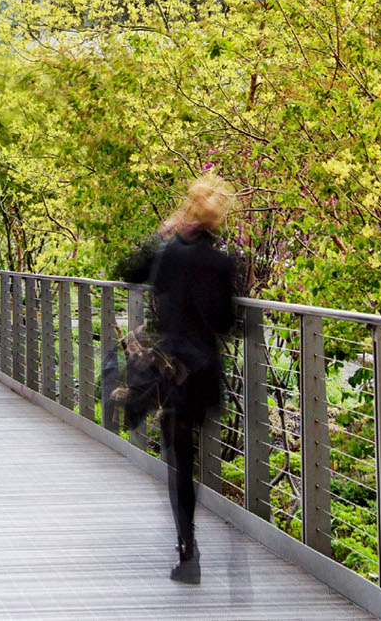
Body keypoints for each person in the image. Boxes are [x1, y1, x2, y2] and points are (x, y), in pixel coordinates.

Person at [146, 172, 241, 584]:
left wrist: (163, 236)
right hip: (206, 371)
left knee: (179, 463)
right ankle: (196, 540)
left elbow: (137, 275)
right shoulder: (223, 263)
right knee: (199, 459)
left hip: (174, 370)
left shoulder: (170, 254)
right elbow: (227, 323)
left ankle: (188, 549)